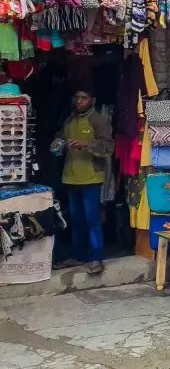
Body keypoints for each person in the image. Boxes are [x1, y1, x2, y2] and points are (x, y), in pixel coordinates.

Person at [51, 88, 114, 275]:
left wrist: (86, 144)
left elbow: (108, 146)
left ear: (92, 100)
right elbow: (59, 139)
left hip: (91, 178)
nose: (79, 101)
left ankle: (96, 258)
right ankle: (78, 256)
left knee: (92, 219)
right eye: (77, 97)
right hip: (71, 177)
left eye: (83, 98)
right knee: (76, 220)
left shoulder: (98, 120)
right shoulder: (69, 120)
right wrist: (57, 144)